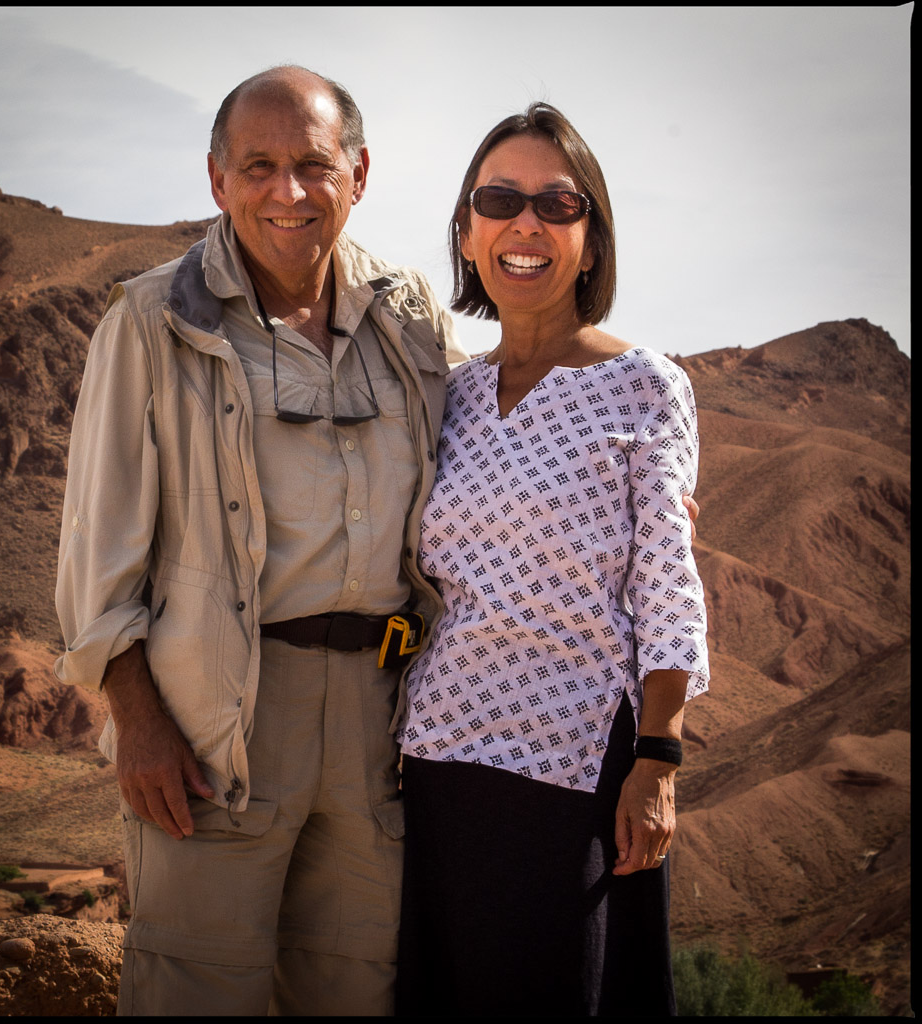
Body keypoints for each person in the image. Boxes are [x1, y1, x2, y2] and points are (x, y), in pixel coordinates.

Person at [54, 65, 461, 1016]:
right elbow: (94, 543)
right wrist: (139, 721)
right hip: (213, 727)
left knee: (354, 992)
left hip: (378, 727)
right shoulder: (153, 322)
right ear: (216, 179)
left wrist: (621, 491)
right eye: (260, 166)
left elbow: (491, 450)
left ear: (358, 175)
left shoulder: (409, 322)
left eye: (313, 166)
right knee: (196, 991)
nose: (288, 193)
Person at [394, 103, 710, 1016]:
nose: (525, 224)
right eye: (499, 199)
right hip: (440, 768)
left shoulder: (644, 385)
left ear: (591, 237)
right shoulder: (444, 394)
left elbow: (666, 580)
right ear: (466, 231)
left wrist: (657, 761)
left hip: (574, 774)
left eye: (556, 204)